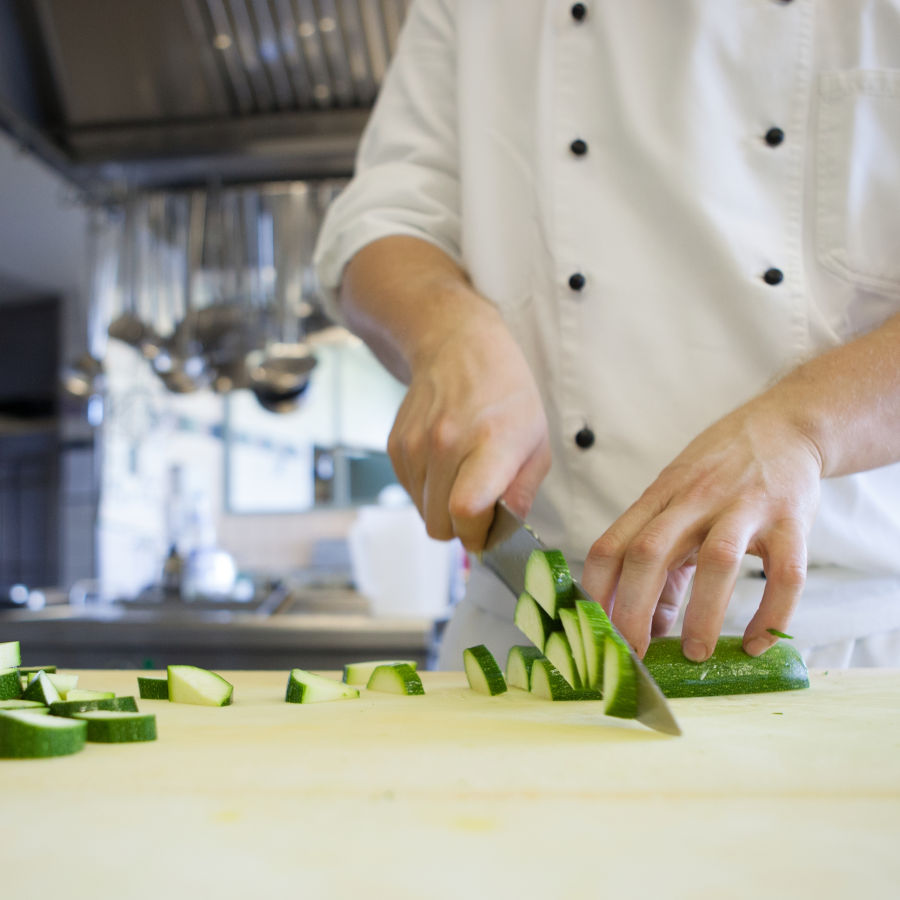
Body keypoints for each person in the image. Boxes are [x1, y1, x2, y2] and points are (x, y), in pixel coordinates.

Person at [313, 1, 900, 669]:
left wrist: (809, 426)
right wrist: (447, 330)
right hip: (532, 636)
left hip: (855, 645)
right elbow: (385, 214)